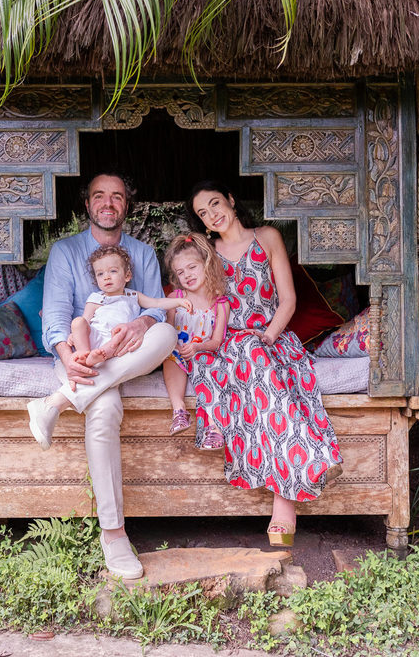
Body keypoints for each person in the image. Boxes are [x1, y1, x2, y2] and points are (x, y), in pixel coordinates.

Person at [29, 173, 178, 580]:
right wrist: (71, 355)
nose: (108, 203)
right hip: (82, 353)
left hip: (126, 351)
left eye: (116, 196)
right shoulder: (65, 252)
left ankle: (56, 403)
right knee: (105, 407)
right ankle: (114, 534)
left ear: (126, 204)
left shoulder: (143, 254)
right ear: (88, 203)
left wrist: (140, 326)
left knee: (166, 332)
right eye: (100, 196)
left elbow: (155, 310)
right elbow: (58, 317)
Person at [186, 180, 344, 547]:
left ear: (231, 199)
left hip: (272, 336)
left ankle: (283, 506)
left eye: (215, 203)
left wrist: (270, 336)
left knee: (262, 359)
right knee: (250, 355)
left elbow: (287, 300)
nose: (213, 214)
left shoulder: (268, 237)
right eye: (203, 213)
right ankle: (311, 461)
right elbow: (201, 304)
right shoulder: (207, 253)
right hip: (227, 344)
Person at [69, 244, 190, 367]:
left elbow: (157, 303)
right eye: (100, 274)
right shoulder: (96, 298)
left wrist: (178, 302)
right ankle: (84, 355)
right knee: (77, 322)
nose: (106, 277)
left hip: (121, 340)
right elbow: (85, 321)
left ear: (127, 276)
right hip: (97, 336)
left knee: (128, 337)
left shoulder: (133, 295)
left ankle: (101, 355)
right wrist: (75, 334)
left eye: (113, 271)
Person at [161, 233, 230, 441]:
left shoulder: (220, 303)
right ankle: (179, 410)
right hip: (179, 352)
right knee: (170, 358)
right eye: (180, 272)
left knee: (211, 367)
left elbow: (217, 341)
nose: (187, 275)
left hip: (204, 353)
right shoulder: (175, 299)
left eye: (192, 267)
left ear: (206, 265)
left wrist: (198, 348)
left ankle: (213, 427)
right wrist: (179, 348)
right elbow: (167, 332)